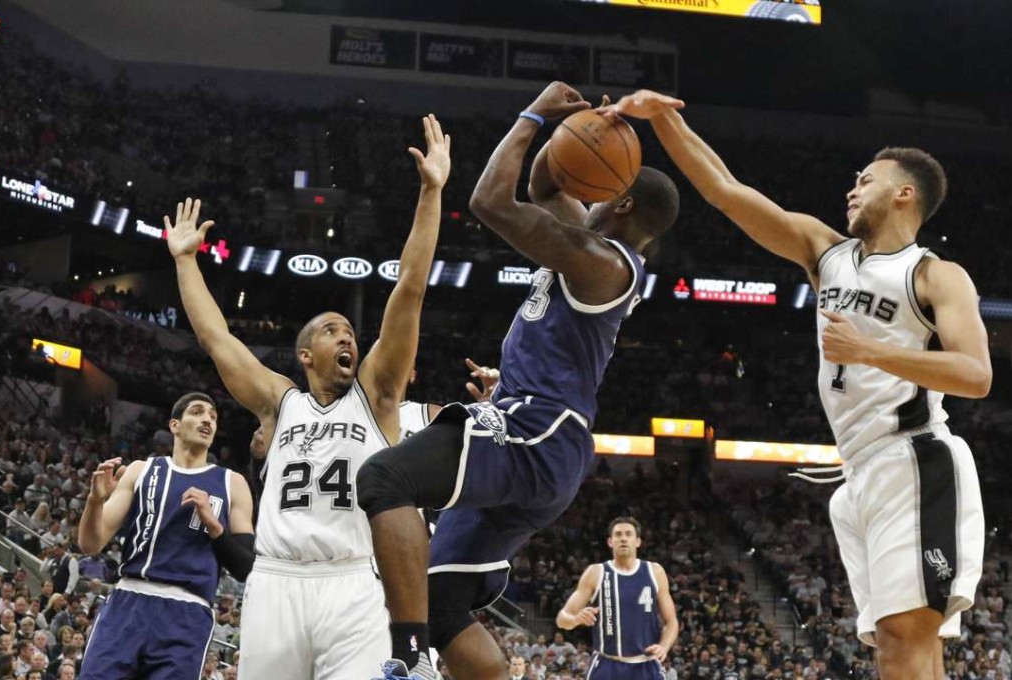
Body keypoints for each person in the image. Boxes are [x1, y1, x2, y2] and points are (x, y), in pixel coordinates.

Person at [605, 89, 990, 679]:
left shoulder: (935, 275)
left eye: (866, 180)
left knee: (907, 640)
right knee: (896, 646)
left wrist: (870, 350)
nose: (851, 189)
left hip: (915, 461)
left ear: (904, 193)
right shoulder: (825, 251)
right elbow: (726, 192)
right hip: (859, 472)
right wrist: (663, 122)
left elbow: (976, 375)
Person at [358, 81, 680, 680]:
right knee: (443, 600)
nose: (586, 196)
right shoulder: (595, 248)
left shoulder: (601, 263)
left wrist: (533, 114)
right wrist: (573, 127)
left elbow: (490, 201)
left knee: (384, 477)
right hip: (538, 430)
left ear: (624, 203)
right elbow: (539, 186)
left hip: (536, 432)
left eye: (606, 189)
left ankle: (407, 662)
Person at [168, 114, 450, 680]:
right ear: (304, 355)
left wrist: (431, 193)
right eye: (332, 330)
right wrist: (184, 261)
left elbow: (410, 291)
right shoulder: (282, 402)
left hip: (356, 580)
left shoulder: (376, 395)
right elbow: (215, 339)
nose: (348, 336)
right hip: (276, 580)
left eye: (351, 331)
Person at [76, 392, 255, 679]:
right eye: (197, 412)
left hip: (187, 612)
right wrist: (94, 501)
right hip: (129, 600)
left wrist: (214, 527)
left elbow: (246, 567)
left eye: (213, 416)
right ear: (174, 425)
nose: (208, 419)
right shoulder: (141, 470)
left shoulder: (232, 483)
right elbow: (89, 543)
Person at [556, 517, 679, 679]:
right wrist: (576, 619)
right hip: (607, 665)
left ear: (638, 541)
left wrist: (664, 646)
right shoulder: (596, 573)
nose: (623, 538)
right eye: (618, 534)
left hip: (646, 663)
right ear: (610, 542)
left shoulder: (655, 571)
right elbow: (562, 619)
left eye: (628, 534)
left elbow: (671, 622)